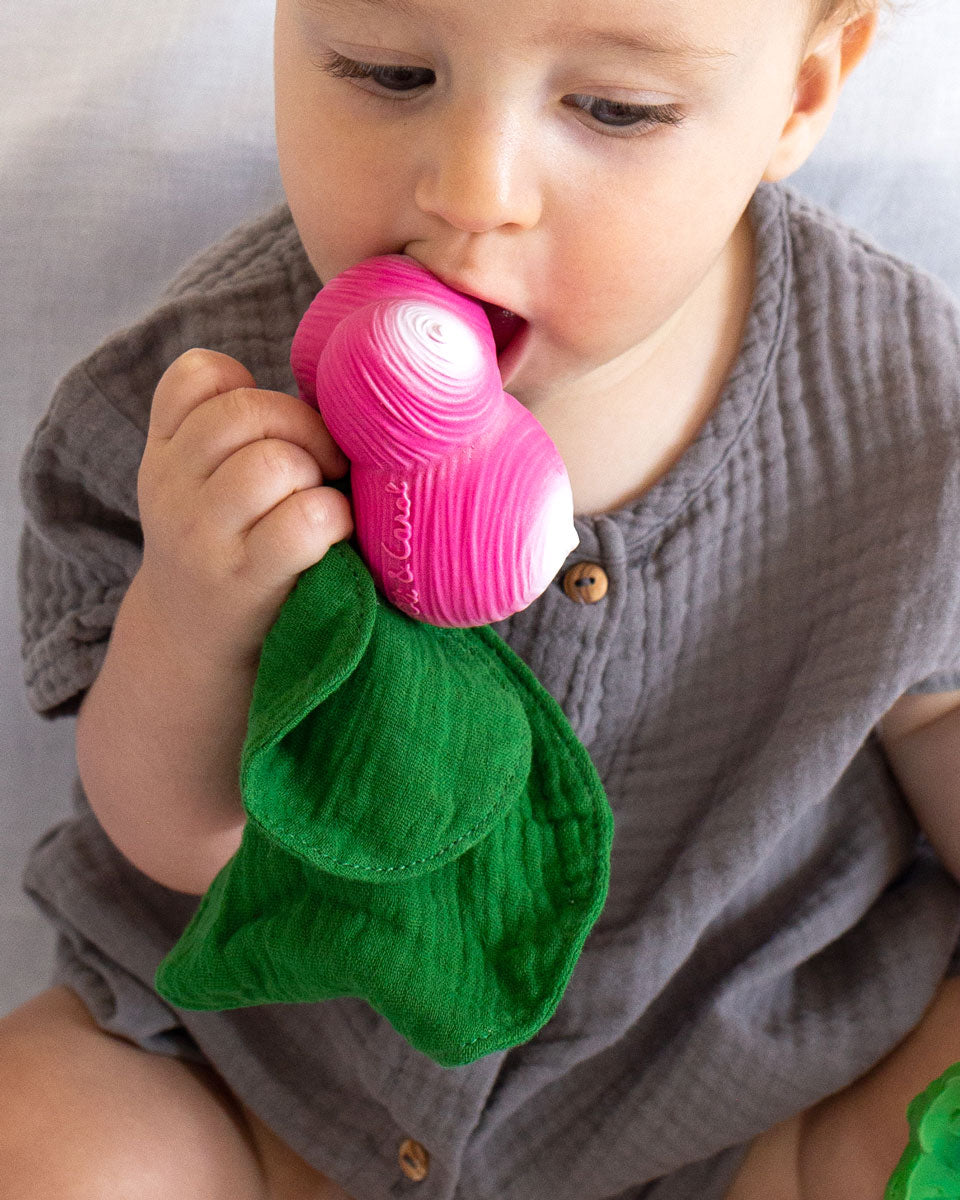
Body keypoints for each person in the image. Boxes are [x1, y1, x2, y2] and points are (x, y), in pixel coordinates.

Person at [7, 0, 960, 1194]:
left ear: (804, 93)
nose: (475, 190)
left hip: (741, 1104)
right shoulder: (189, 413)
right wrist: (194, 621)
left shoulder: (910, 413)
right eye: (388, 72)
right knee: (45, 1129)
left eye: (617, 109)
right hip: (269, 1081)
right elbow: (179, 845)